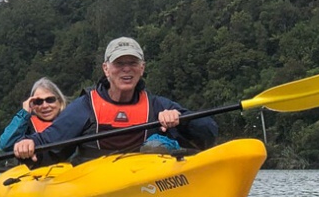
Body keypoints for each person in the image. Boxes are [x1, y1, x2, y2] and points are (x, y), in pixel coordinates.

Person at [13, 37, 218, 166]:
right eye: (119, 63)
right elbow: (49, 143)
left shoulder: (157, 106)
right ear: (106, 69)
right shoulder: (86, 107)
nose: (126, 69)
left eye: (132, 63)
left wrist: (182, 120)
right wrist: (27, 146)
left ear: (142, 68)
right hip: (94, 181)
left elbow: (209, 131)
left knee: (163, 144)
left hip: (145, 182)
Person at [0, 77, 67, 152]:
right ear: (32, 104)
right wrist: (24, 113)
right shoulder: (26, 127)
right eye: (38, 102)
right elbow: (5, 145)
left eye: (50, 100)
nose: (45, 106)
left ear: (60, 102)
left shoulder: (71, 119)